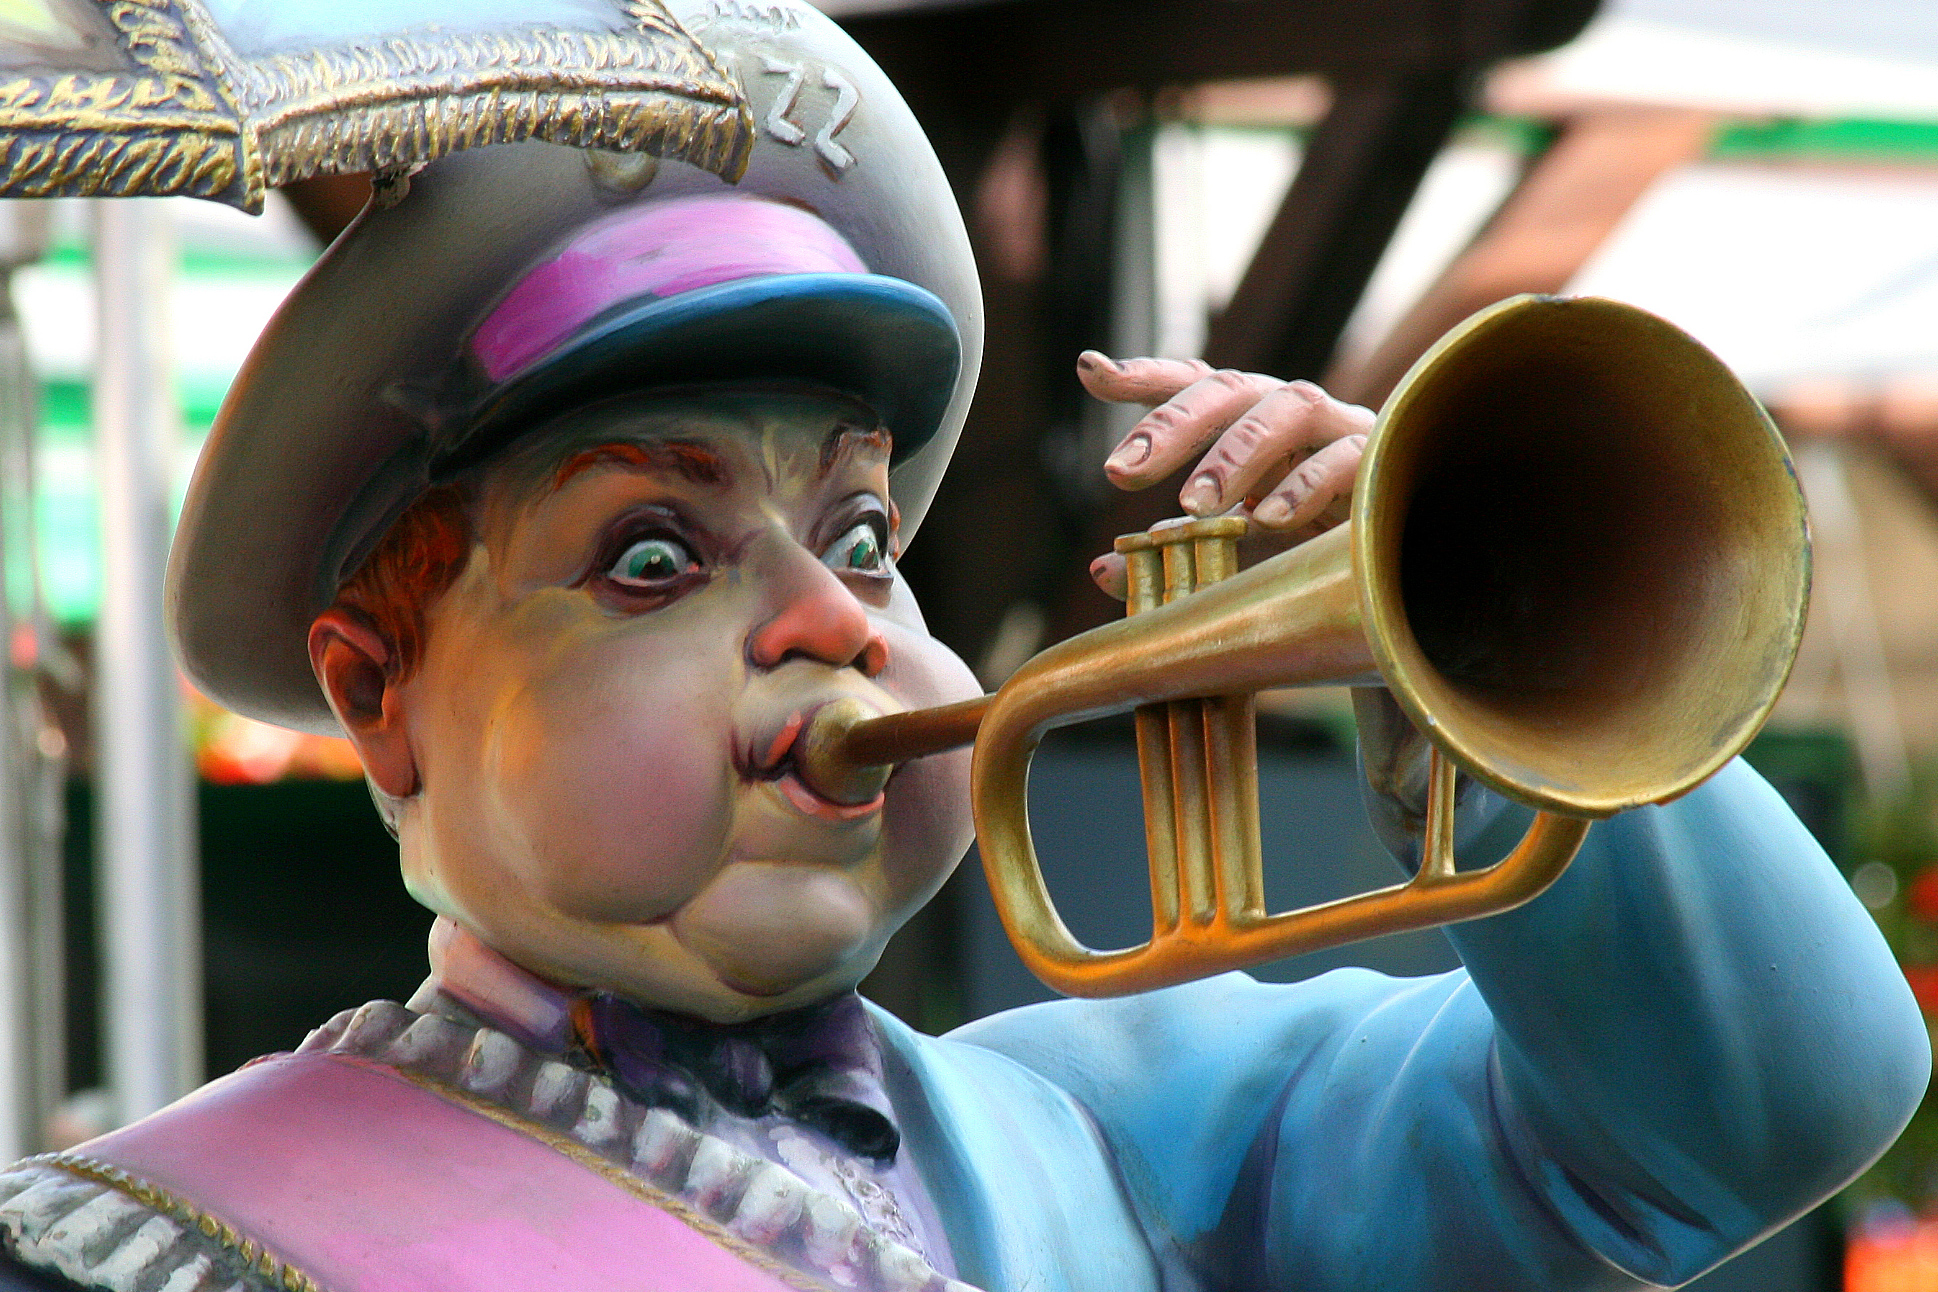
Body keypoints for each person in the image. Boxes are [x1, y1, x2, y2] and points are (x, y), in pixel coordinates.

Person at [0, 3, 1926, 1291]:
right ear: (376, 698)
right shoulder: (152, 1242)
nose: (840, 619)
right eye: (655, 557)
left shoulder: (1119, 1126)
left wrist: (1484, 672)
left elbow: (1766, 1110)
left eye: (859, 537)